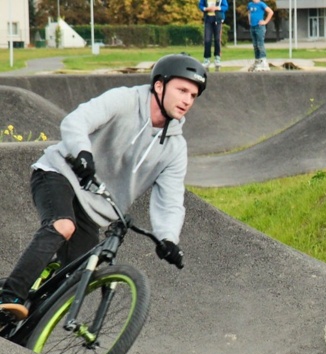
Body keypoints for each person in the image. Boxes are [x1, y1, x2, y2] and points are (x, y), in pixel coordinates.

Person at [0, 54, 207, 322]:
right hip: (60, 173)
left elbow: (170, 199)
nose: (187, 100)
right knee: (62, 225)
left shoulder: (175, 148)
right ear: (159, 85)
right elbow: (77, 121)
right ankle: (9, 296)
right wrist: (82, 152)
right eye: (182, 90)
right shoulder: (125, 100)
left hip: (95, 208)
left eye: (193, 95)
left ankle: (23, 329)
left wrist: (168, 238)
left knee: (79, 278)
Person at [198, 0, 228, 72]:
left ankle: (217, 58)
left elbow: (225, 7)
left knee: (217, 39)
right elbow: (201, 5)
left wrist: (217, 8)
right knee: (207, 40)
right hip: (208, 19)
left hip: (217, 19)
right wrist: (206, 9)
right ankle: (206, 59)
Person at [248, 0, 274, 72]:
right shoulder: (250, 4)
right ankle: (257, 60)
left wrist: (265, 22)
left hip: (259, 26)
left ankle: (263, 61)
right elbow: (249, 12)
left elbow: (271, 12)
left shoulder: (261, 4)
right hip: (252, 27)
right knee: (255, 45)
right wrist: (249, 21)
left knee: (260, 44)